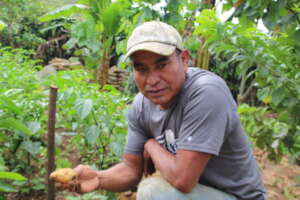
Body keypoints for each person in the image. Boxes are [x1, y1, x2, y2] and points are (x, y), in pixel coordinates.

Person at [68, 21, 267, 200]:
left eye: (162, 65)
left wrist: (152, 145)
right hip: (198, 194)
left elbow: (182, 180)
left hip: (237, 196)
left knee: (153, 191)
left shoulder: (207, 93)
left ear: (184, 59)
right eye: (142, 69)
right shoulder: (141, 106)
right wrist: (98, 178)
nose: (152, 80)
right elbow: (131, 169)